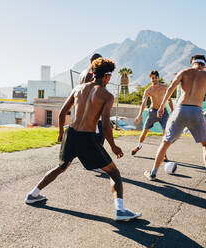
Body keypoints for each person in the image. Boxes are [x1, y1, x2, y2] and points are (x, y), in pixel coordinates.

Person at [25, 58, 141, 221]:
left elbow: (62, 112)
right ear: (107, 76)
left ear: (94, 73)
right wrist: (113, 146)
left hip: (70, 134)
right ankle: (120, 210)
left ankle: (33, 194)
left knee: (61, 167)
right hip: (87, 138)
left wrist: (60, 133)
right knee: (114, 173)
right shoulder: (106, 95)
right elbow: (106, 124)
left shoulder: (78, 88)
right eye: (110, 76)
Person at [144, 55, 206, 188]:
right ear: (204, 64)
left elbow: (170, 89)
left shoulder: (184, 72)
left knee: (165, 142)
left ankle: (153, 173)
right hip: (197, 111)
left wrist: (162, 106)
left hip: (180, 110)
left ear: (192, 63)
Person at [131, 70, 174, 161]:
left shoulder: (165, 88)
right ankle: (138, 146)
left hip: (163, 112)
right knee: (144, 131)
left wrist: (173, 111)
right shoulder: (148, 90)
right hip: (153, 112)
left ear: (158, 77)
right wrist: (139, 115)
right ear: (150, 79)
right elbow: (143, 103)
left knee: (165, 132)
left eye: (155, 78)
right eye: (152, 78)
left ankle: (164, 153)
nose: (154, 79)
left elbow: (170, 101)